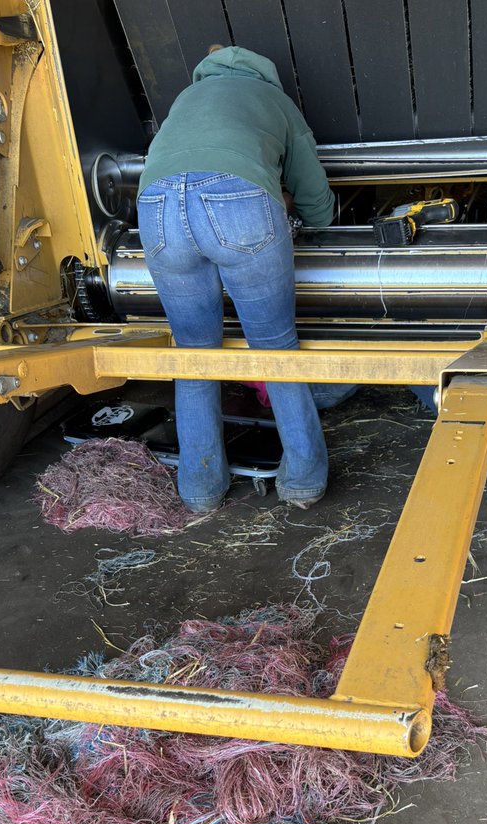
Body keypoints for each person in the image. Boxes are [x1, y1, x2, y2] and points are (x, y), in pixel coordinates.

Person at [137, 45, 335, 512]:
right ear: (265, 74)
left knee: (194, 353)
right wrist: (309, 218)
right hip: (236, 200)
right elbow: (314, 197)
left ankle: (200, 489)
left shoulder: (186, 99)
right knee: (275, 347)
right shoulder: (275, 101)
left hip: (156, 208)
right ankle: (304, 479)